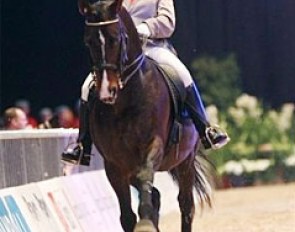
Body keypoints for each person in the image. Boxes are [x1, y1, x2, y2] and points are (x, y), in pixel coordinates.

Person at [61, 0, 229, 165]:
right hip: (122, 53)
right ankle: (82, 146)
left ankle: (206, 130)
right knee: (87, 86)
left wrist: (145, 28)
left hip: (153, 47)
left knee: (182, 74)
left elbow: (168, 22)